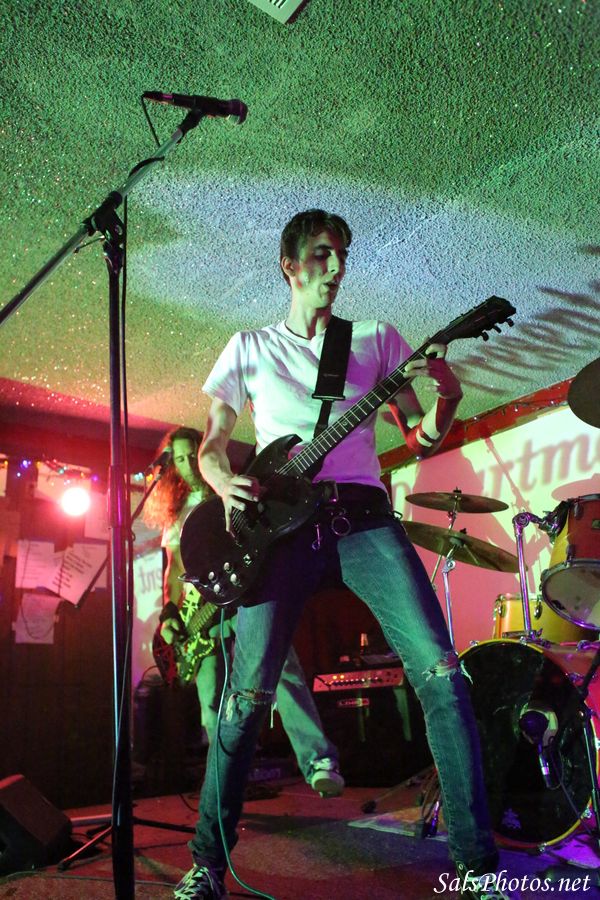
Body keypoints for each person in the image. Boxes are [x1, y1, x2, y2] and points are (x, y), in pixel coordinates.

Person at [174, 210, 514, 900]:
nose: (336, 268)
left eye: (342, 256)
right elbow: (212, 444)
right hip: (280, 530)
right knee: (246, 696)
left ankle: (477, 867)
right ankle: (207, 864)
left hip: (361, 516)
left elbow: (417, 436)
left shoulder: (376, 339)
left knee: (443, 675)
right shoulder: (249, 347)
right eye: (322, 255)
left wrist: (448, 394)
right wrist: (220, 479)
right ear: (289, 264)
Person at [143, 426, 345, 798]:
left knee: (282, 669)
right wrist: (169, 611)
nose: (187, 464)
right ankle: (225, 782)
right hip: (200, 614)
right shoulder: (176, 512)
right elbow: (174, 567)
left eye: (191, 455)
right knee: (211, 701)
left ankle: (318, 761)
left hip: (243, 591)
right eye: (180, 459)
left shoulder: (227, 488)